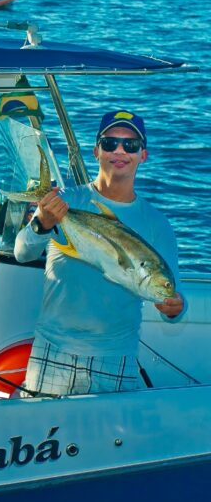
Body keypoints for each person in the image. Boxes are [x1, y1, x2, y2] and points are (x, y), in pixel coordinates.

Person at [14, 110, 186, 397]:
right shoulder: (65, 201)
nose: (119, 151)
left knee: (110, 440)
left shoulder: (157, 224)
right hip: (53, 349)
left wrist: (175, 308)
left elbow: (174, 297)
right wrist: (41, 223)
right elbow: (21, 252)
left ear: (143, 155)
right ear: (96, 151)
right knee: (44, 439)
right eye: (110, 143)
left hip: (115, 356)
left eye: (130, 145)